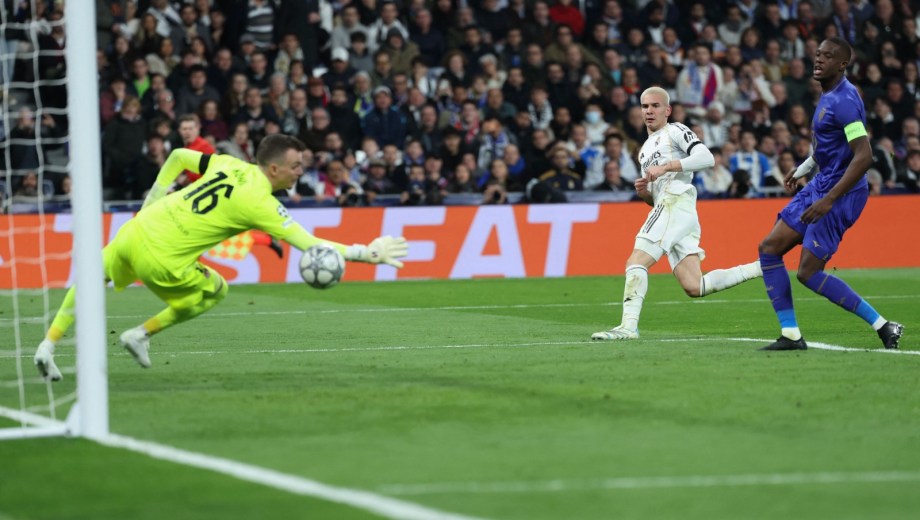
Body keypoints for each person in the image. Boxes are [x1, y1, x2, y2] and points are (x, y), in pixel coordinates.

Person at [33, 135, 409, 381]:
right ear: (274, 168)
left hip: (135, 231)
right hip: (164, 259)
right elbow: (310, 244)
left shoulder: (229, 163)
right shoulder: (262, 203)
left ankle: (47, 347)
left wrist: (153, 198)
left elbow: (179, 155)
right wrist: (367, 254)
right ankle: (141, 334)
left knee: (92, 281)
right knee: (216, 290)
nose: (301, 171)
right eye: (296, 165)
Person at [756, 38, 903, 351]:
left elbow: (863, 156)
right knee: (769, 248)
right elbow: (828, 144)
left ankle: (883, 325)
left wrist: (830, 199)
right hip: (822, 183)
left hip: (843, 192)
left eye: (828, 56)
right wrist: (804, 167)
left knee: (808, 272)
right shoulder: (827, 95)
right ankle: (791, 334)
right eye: (818, 54)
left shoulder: (845, 100)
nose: (819, 60)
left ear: (843, 64)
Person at [592, 87, 762, 341]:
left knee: (636, 261)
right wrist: (645, 194)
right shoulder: (643, 151)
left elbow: (706, 158)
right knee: (695, 286)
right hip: (670, 208)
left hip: (677, 201)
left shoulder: (676, 130)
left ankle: (628, 327)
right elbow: (654, 199)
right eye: (645, 106)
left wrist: (667, 166)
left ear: (667, 110)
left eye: (655, 106)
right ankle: (762, 267)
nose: (649, 110)